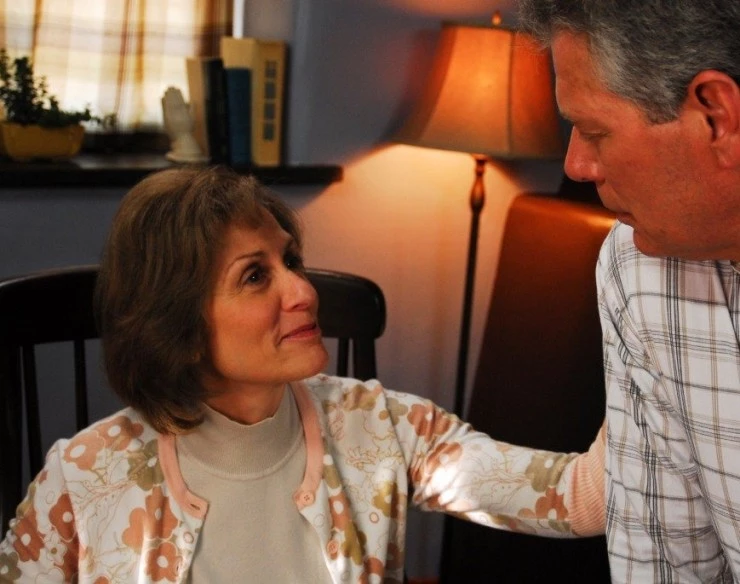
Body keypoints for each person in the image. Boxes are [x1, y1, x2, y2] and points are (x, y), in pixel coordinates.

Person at [0, 166, 604, 583]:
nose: (303, 291)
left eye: (291, 260)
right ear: (176, 325)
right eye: (255, 276)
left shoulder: (381, 428)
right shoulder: (82, 480)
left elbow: (580, 499)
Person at [517, 1, 740, 581]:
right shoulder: (637, 266)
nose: (576, 165)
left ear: (717, 115)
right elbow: (663, 566)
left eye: (594, 131)